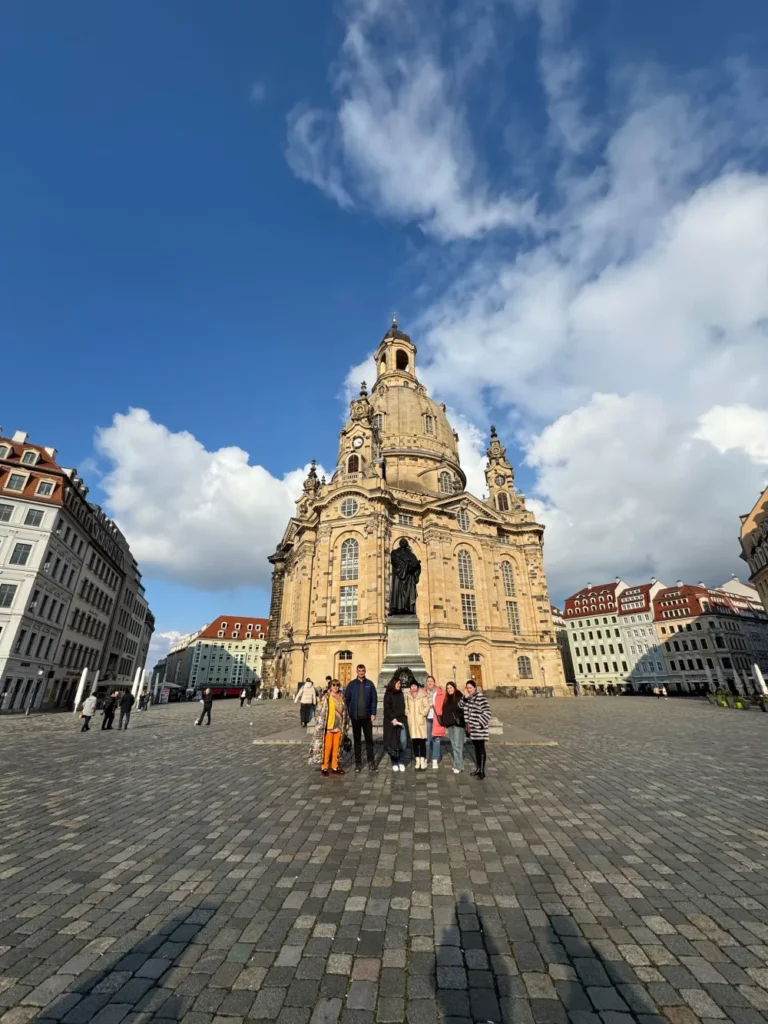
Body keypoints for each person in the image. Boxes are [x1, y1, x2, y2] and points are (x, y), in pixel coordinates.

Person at [309, 679, 348, 776]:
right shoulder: (326, 697)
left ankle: (335, 766)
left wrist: (346, 724)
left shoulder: (342, 697)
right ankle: (325, 767)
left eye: (337, 685)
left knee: (337, 748)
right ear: (330, 686)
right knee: (327, 748)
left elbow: (345, 711)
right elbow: (319, 710)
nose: (335, 687)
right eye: (333, 685)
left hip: (339, 726)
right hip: (329, 726)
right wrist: (319, 721)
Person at [344, 664, 378, 773]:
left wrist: (373, 713)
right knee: (357, 740)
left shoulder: (370, 684)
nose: (361, 672)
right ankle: (358, 763)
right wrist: (348, 713)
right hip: (355, 717)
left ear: (365, 671)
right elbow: (346, 699)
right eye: (359, 671)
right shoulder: (352, 684)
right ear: (357, 672)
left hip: (367, 717)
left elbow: (374, 699)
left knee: (369, 740)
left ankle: (371, 762)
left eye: (363, 670)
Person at [459, 680, 491, 780]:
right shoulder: (467, 698)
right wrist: (465, 697)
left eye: (470, 688)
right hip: (471, 729)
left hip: (479, 729)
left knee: (481, 748)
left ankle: (482, 770)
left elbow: (487, 712)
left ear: (475, 688)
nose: (469, 690)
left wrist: (479, 723)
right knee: (476, 749)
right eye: (467, 688)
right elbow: (459, 706)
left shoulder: (481, 698)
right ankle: (478, 768)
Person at [383, 675, 407, 772]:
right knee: (393, 742)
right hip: (391, 722)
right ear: (393, 684)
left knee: (403, 742)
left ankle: (401, 761)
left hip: (401, 720)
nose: (399, 685)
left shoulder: (401, 693)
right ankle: (394, 762)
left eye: (400, 683)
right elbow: (387, 708)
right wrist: (393, 719)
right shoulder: (388, 694)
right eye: (398, 683)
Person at [441, 682, 465, 774]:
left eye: (451, 687)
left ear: (454, 688)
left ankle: (458, 766)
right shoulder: (447, 698)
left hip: (458, 724)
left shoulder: (459, 696)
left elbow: (463, 709)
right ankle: (459, 765)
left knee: (457, 745)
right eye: (447, 688)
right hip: (450, 724)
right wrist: (445, 721)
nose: (449, 689)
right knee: (454, 745)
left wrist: (459, 718)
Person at [405, 681, 429, 770]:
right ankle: (417, 760)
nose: (413, 687)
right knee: (414, 742)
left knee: (422, 741)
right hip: (412, 722)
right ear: (410, 687)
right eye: (412, 686)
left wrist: (423, 713)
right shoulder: (407, 696)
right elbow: (406, 707)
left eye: (415, 686)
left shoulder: (422, 695)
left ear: (417, 687)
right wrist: (407, 713)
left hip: (420, 721)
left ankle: (422, 760)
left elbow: (427, 706)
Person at [425, 675, 445, 768]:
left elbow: (443, 705)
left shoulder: (439, 692)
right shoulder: (423, 692)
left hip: (436, 717)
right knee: (427, 739)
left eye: (431, 681)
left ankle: (435, 759)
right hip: (427, 717)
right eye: (428, 681)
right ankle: (426, 758)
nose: (429, 683)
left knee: (436, 739)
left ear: (434, 682)